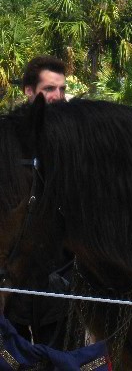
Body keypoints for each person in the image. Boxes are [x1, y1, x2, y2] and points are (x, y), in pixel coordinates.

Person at [5, 55, 70, 348]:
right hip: (13, 271)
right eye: (49, 89)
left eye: (61, 89)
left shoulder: (73, 137)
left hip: (63, 274)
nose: (57, 97)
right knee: (12, 354)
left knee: (61, 356)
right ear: (29, 92)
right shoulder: (10, 137)